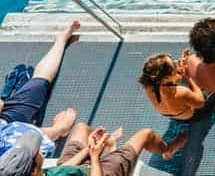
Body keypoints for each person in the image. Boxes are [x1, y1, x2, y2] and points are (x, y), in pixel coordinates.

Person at [0, 21, 81, 159]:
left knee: (38, 84)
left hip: (5, 125)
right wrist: (59, 129)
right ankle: (60, 41)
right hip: (10, 139)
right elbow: (29, 139)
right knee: (39, 83)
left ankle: (60, 41)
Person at [8, 121, 187, 176]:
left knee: (81, 128)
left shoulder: (41, 172)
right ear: (31, 171)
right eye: (34, 152)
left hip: (74, 169)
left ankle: (108, 146)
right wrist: (95, 157)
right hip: (97, 172)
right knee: (145, 134)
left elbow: (61, 169)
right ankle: (168, 149)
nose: (38, 149)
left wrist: (89, 147)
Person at [139, 51, 215, 133]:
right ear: (166, 77)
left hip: (175, 114)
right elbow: (200, 103)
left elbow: (170, 82)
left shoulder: (149, 85)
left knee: (191, 69)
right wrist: (188, 77)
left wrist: (181, 69)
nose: (176, 62)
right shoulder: (180, 92)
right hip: (197, 114)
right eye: (174, 65)